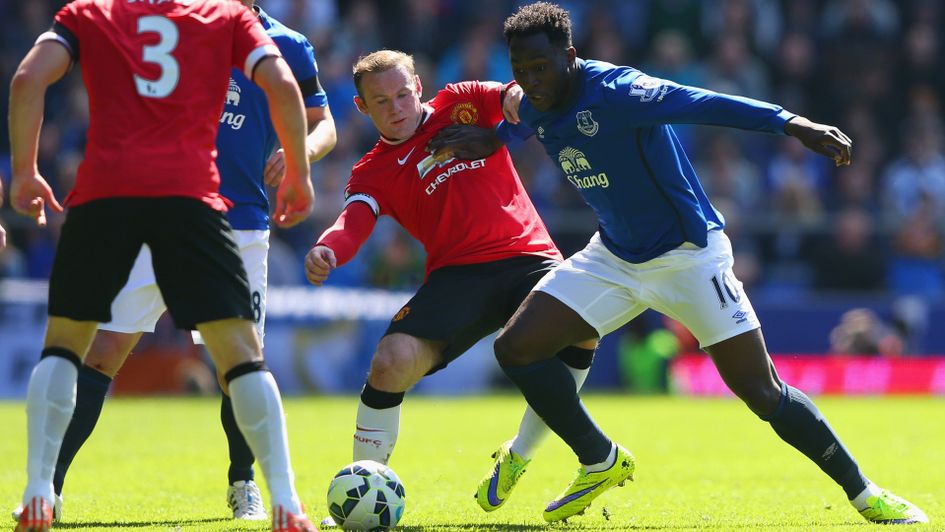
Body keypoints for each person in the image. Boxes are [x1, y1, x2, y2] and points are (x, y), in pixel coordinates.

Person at [454, 1, 927, 525]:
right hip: (613, 256)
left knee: (761, 392)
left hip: (689, 259)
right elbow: (528, 124)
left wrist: (792, 123)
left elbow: (703, 102)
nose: (531, 81)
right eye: (520, 71)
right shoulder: (533, 100)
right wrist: (493, 138)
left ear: (570, 56)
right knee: (516, 347)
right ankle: (596, 459)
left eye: (540, 68)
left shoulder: (618, 91)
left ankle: (866, 494)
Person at [8, 0, 336, 525]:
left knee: (65, 346)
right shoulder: (217, 20)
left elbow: (27, 77)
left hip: (109, 198)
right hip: (191, 200)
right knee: (240, 358)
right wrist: (299, 172)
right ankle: (286, 500)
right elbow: (280, 84)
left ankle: (38, 489)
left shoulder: (93, 12)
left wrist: (24, 172)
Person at [303, 50, 601, 499]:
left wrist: (510, 123)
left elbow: (516, 101)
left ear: (418, 87)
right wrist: (328, 247)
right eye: (381, 102)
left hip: (529, 256)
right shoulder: (372, 171)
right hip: (458, 276)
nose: (396, 107)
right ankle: (363, 490)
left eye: (402, 94)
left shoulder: (461, 102)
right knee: (389, 363)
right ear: (362, 108)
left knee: (581, 329)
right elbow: (354, 222)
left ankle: (526, 452)